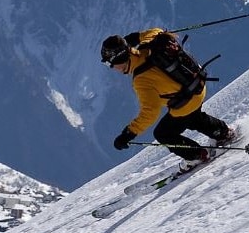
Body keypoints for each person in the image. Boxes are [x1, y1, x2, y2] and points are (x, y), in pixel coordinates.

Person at [101, 29, 237, 173]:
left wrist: (128, 133)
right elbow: (156, 31)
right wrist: (135, 37)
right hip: (198, 85)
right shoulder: (148, 45)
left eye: (110, 64)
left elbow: (150, 112)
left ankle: (196, 155)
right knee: (191, 118)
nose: (112, 68)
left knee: (163, 133)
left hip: (186, 101)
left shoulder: (141, 80)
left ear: (119, 60)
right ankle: (223, 132)